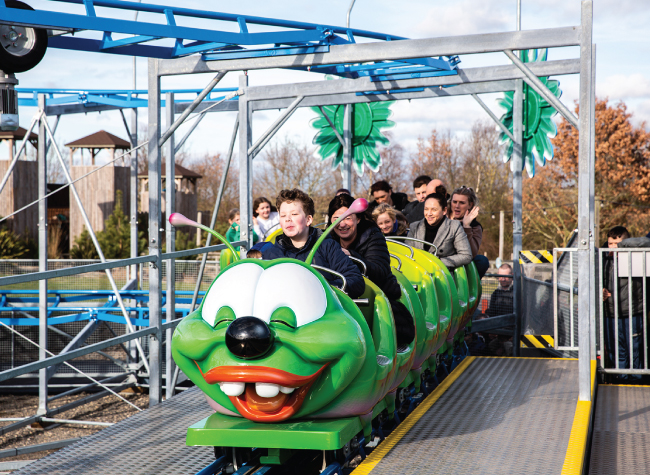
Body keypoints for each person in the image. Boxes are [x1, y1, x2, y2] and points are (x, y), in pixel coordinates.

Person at [328, 194, 415, 346]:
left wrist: (352, 256)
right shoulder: (326, 241)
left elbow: (380, 271)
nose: (341, 224)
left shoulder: (373, 236)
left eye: (347, 217)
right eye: (336, 218)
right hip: (341, 300)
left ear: (358, 219)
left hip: (374, 299)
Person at [260, 188, 365, 299]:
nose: (288, 219)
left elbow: (356, 281)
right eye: (283, 215)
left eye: (294, 214)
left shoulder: (327, 246)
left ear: (308, 220)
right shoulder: (272, 254)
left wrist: (321, 288)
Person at [602, 226, 648, 374]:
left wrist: (624, 247)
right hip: (610, 314)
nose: (614, 247)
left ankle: (637, 382)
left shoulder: (635, 256)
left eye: (618, 244)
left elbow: (647, 242)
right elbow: (585, 280)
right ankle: (619, 381)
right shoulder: (602, 258)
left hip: (633, 313)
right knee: (616, 352)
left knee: (635, 350)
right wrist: (598, 290)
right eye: (610, 244)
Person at [407, 185, 472, 271]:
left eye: (434, 210)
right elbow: (407, 253)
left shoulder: (454, 226)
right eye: (426, 209)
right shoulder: (414, 227)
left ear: (444, 211)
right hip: (418, 273)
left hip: (442, 275)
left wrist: (439, 262)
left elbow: (466, 255)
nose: (429, 213)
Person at [448, 186, 489, 278]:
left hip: (462, 263)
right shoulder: (442, 219)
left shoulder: (475, 227)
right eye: (454, 202)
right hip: (444, 259)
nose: (457, 206)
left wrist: (466, 226)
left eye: (462, 203)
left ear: (470, 205)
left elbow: (472, 254)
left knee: (482, 261)